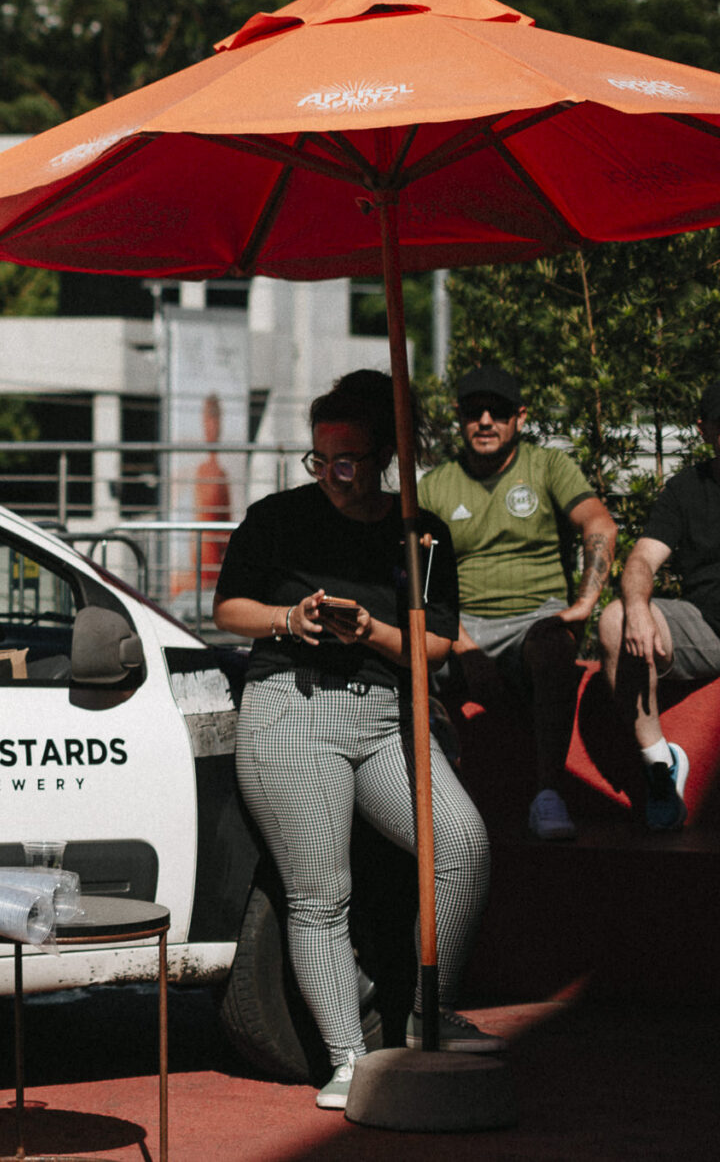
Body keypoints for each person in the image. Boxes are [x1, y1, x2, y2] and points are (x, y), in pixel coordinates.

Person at [211, 369, 496, 1111]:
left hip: (384, 712)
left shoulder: (422, 532)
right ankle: (347, 1057)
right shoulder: (275, 518)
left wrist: (371, 630)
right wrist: (289, 618)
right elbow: (227, 608)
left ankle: (429, 1013)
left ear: (383, 457)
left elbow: (434, 644)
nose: (332, 475)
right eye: (319, 458)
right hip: (291, 707)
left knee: (461, 844)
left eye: (348, 459)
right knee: (320, 892)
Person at [420, 365, 618, 842]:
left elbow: (601, 525)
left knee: (552, 648)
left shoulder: (548, 466)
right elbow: (423, 580)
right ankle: (431, 796)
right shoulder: (435, 486)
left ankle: (548, 794)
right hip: (460, 624)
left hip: (535, 618)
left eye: (499, 411)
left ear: (520, 417)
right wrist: (465, 648)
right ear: (459, 417)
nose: (486, 421)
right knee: (403, 659)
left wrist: (586, 603)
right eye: (474, 411)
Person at [600, 375, 720, 832]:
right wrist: (635, 610)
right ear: (705, 431)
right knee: (613, 619)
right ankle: (658, 768)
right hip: (704, 629)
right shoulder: (687, 489)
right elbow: (642, 562)